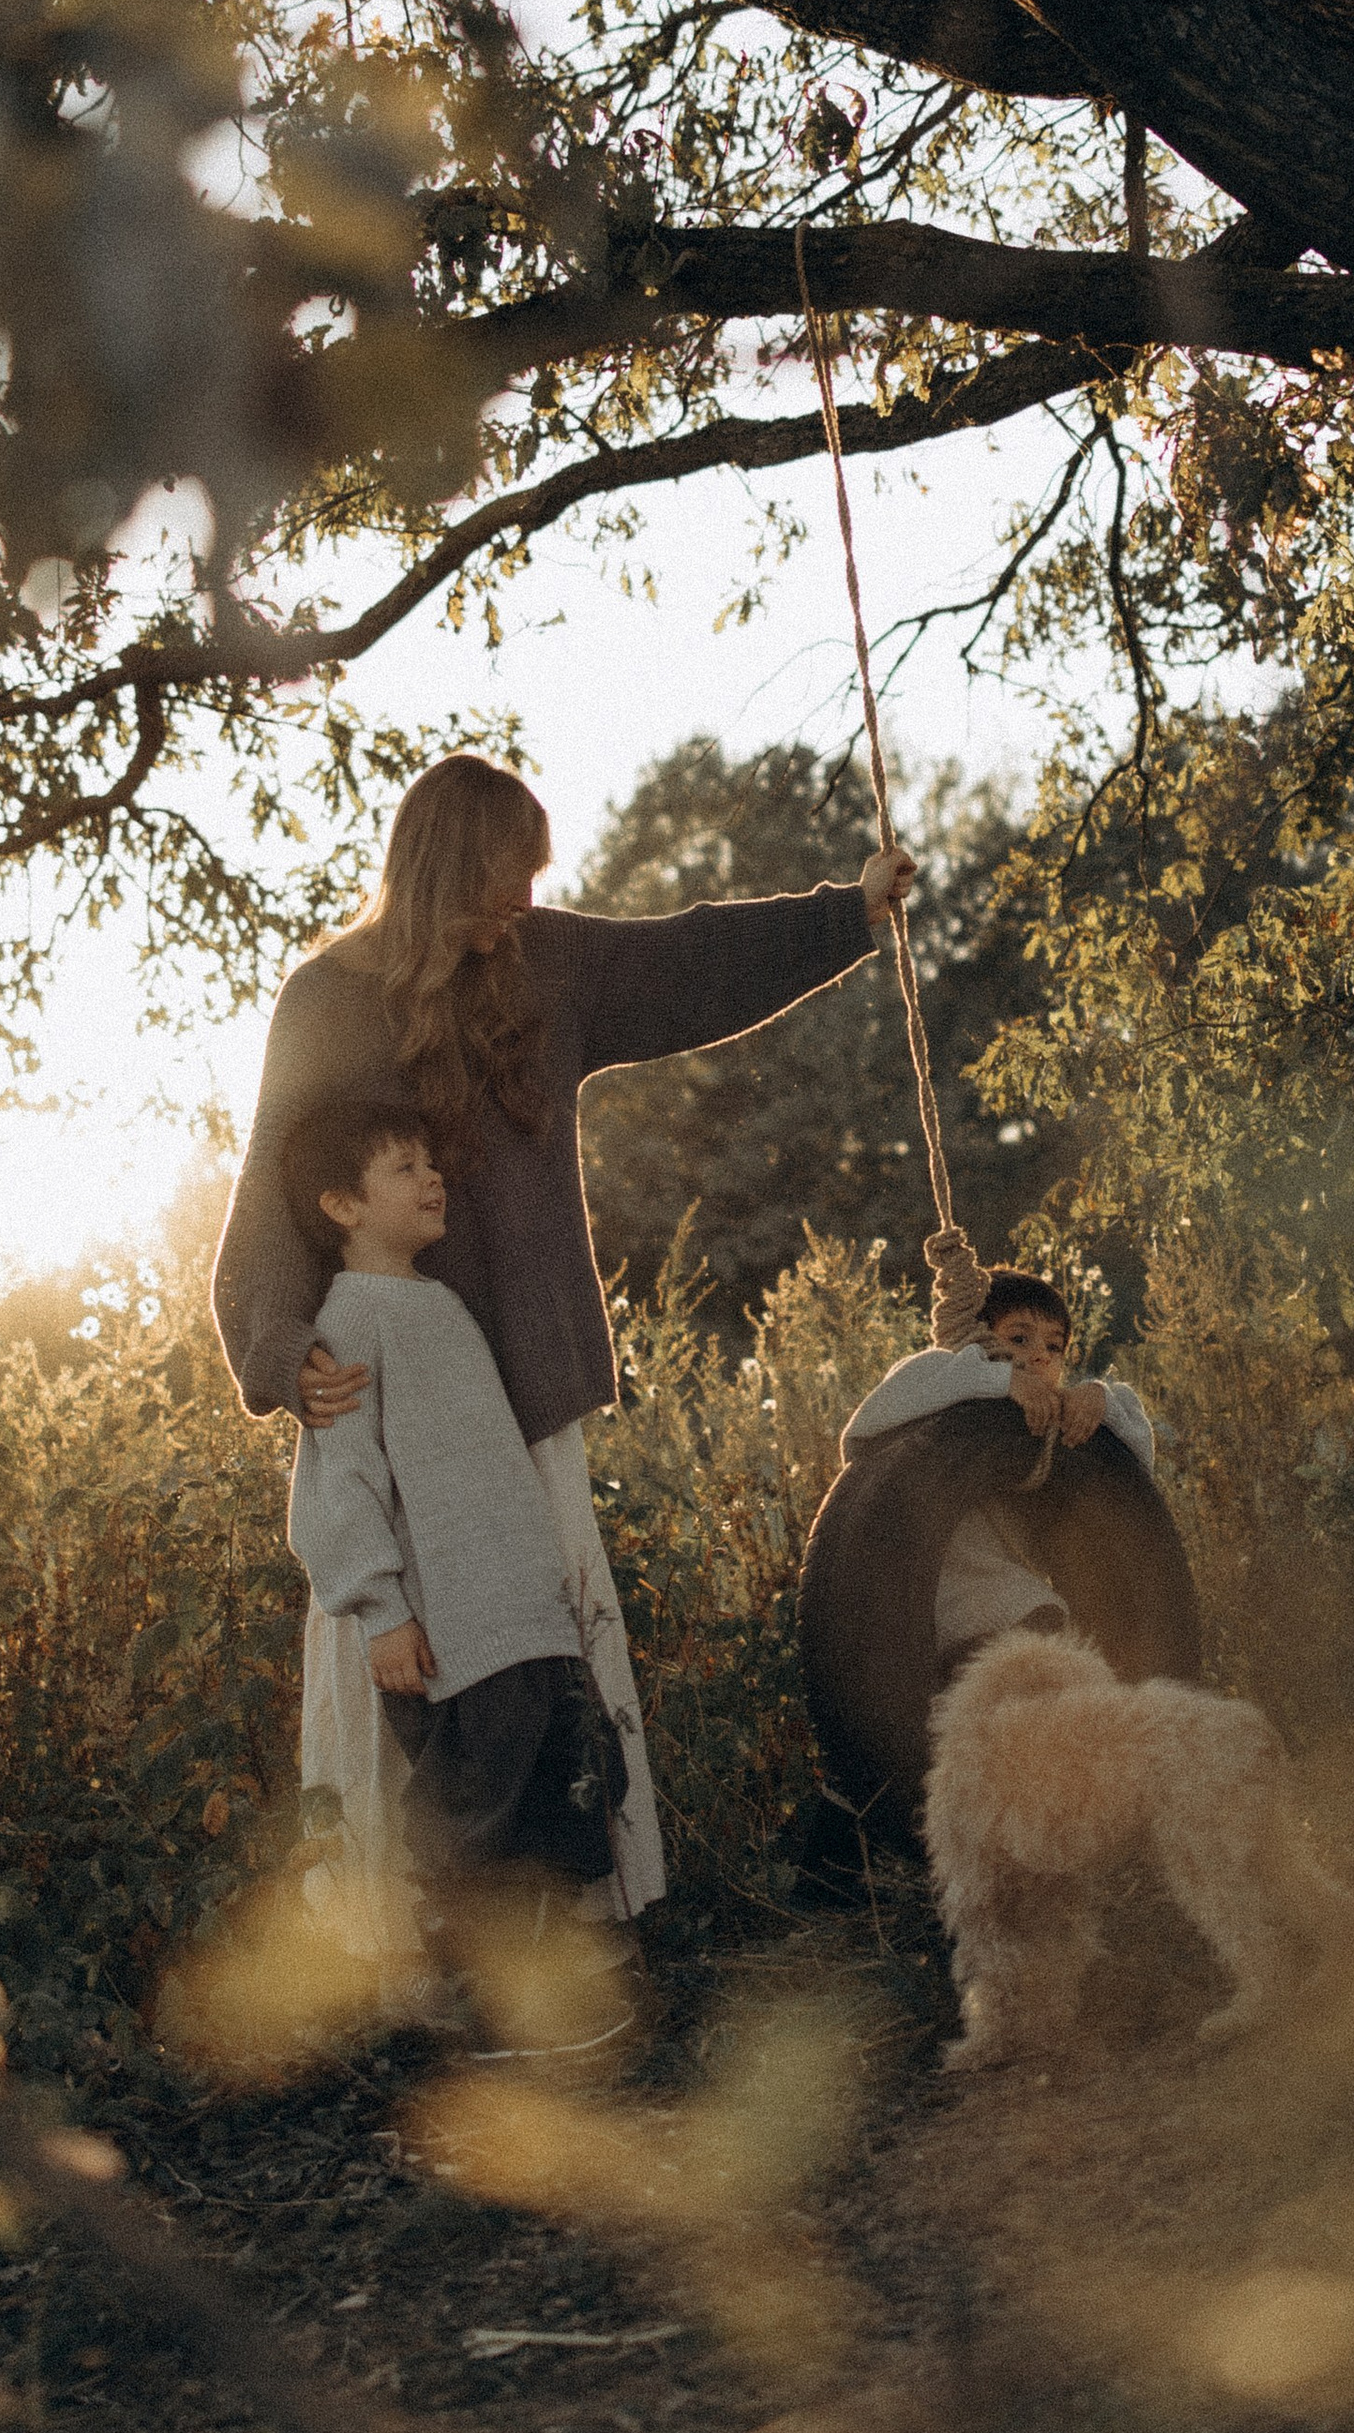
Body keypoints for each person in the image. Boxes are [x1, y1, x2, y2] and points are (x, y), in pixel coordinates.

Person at [212, 748, 914, 1930]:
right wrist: (280, 1354)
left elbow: (693, 959)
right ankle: (387, 1948)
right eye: (502, 881)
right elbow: (270, 1192)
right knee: (398, 1658)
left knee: (547, 1654)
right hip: (383, 1402)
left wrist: (847, 913)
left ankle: (578, 1925)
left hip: (523, 1396)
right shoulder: (325, 999)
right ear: (441, 866)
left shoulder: (548, 967)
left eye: (532, 880)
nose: (521, 904)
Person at [284, 1093, 636, 1973]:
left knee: (577, 1793)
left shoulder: (441, 1301)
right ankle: (470, 1999)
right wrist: (381, 1612)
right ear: (343, 1205)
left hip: (529, 1622)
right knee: (475, 1828)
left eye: (431, 1163)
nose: (433, 1178)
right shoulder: (350, 1321)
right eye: (404, 1168)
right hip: (455, 1641)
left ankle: (550, 1993)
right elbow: (340, 1480)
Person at [840, 1269, 1157, 1674]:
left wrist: (1100, 1401)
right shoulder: (939, 1377)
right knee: (1038, 1637)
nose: (1040, 1356)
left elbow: (1137, 1477)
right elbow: (863, 1433)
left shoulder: (1049, 1431)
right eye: (1019, 1339)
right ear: (978, 1339)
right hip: (924, 1595)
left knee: (1052, 1646)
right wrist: (1001, 1380)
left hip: (1011, 1597)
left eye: (1054, 1346)